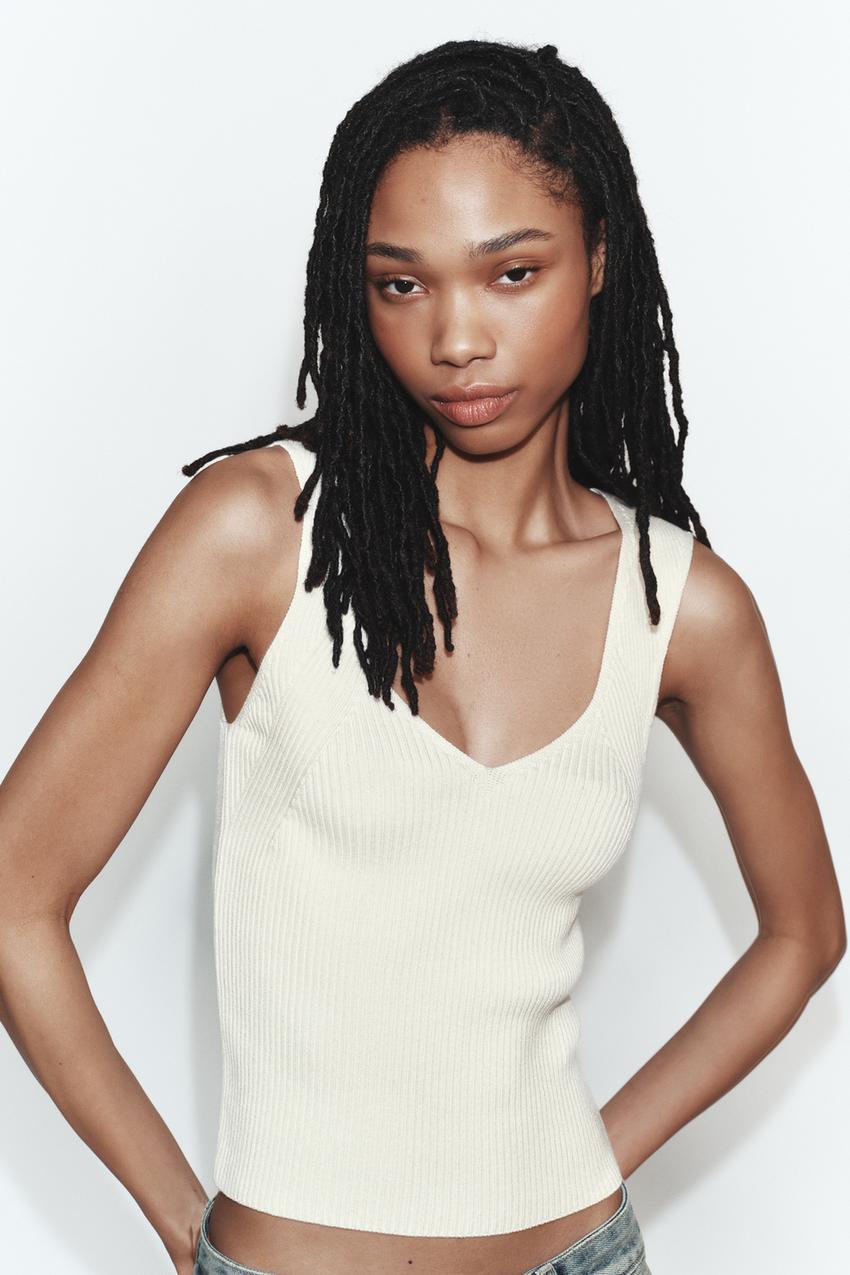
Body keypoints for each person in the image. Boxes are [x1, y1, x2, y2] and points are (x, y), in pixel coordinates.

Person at [0, 36, 844, 1275]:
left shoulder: (683, 608)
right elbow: (14, 896)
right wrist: (189, 1227)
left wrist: (596, 1163)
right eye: (401, 284)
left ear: (599, 260)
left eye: (511, 273)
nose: (455, 337)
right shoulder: (260, 534)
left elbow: (803, 932)